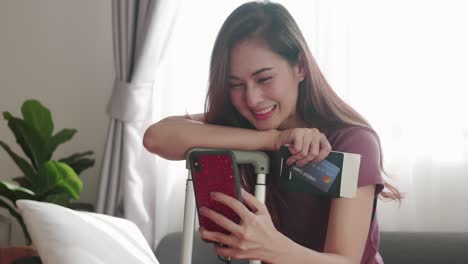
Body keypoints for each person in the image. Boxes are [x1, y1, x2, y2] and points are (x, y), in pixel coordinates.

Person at [143, 1, 401, 263]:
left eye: (264, 79)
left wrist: (272, 248)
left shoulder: (353, 141)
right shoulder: (249, 127)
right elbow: (157, 137)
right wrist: (272, 139)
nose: (252, 99)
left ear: (300, 66)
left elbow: (346, 261)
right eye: (236, 84)